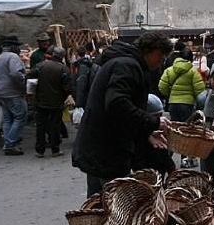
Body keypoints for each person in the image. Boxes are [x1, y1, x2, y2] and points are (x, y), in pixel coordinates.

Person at [72, 32, 173, 197]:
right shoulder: (128, 66)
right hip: (107, 150)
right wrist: (153, 122)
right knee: (118, 206)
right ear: (150, 50)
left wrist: (146, 133)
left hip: (99, 149)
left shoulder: (123, 62)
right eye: (160, 57)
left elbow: (121, 111)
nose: (161, 62)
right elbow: (117, 104)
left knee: (98, 204)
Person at [28, 46, 72, 157]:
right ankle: (55, 149)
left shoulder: (41, 65)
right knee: (55, 126)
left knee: (41, 126)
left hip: (41, 101)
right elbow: (67, 87)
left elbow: (29, 75)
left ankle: (40, 150)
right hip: (56, 102)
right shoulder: (63, 69)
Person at [0, 36, 28, 155]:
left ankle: (8, 143)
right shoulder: (13, 57)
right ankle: (10, 144)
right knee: (20, 116)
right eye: (18, 46)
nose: (19, 49)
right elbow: (15, 73)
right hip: (13, 92)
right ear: (13, 47)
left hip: (1, 92)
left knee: (8, 119)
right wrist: (23, 80)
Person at [133, 94, 176, 178]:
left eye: (160, 116)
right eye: (156, 117)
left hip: (158, 175)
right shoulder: (138, 137)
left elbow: (165, 157)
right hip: (145, 177)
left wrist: (172, 170)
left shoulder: (157, 136)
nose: (159, 121)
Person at [158, 48, 206, 122]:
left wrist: (170, 95)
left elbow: (162, 87)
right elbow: (200, 89)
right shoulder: (193, 71)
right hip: (188, 104)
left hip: (172, 104)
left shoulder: (168, 70)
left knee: (174, 126)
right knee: (185, 128)